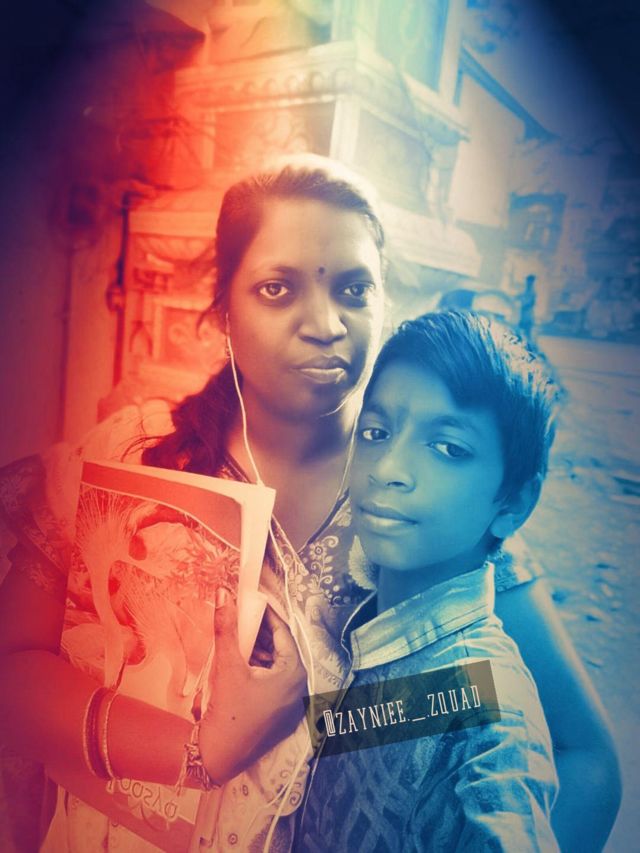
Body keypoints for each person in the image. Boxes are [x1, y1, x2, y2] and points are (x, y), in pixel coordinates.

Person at [0, 156, 620, 852]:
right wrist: (200, 750)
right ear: (224, 307)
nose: (324, 323)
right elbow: (12, 670)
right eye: (277, 288)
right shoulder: (132, 453)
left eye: (354, 289)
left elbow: (586, 761)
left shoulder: (430, 515)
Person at [296, 310, 561, 850]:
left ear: (514, 502)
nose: (388, 467)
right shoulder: (359, 623)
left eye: (449, 448)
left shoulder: (493, 728)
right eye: (376, 433)